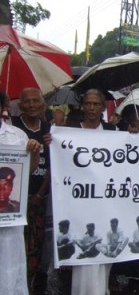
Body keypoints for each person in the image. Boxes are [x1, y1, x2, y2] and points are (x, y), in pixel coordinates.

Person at [69, 89, 116, 295]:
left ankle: (102, 288)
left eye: (96, 104)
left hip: (105, 201)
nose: (91, 108)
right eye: (87, 103)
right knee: (85, 246)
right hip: (80, 201)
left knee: (104, 245)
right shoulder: (70, 131)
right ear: (82, 106)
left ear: (103, 107)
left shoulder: (113, 131)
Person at [0, 89, 41, 295]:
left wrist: (34, 153)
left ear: (2, 108)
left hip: (8, 221)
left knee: (8, 266)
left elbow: (29, 170)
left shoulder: (16, 135)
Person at [12, 87, 52, 290]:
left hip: (39, 197)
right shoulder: (12, 128)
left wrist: (39, 194)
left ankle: (32, 282)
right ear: (20, 106)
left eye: (35, 101)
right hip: (15, 200)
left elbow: (53, 166)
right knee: (15, 245)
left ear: (42, 105)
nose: (31, 105)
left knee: (36, 244)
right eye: (26, 102)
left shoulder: (49, 130)